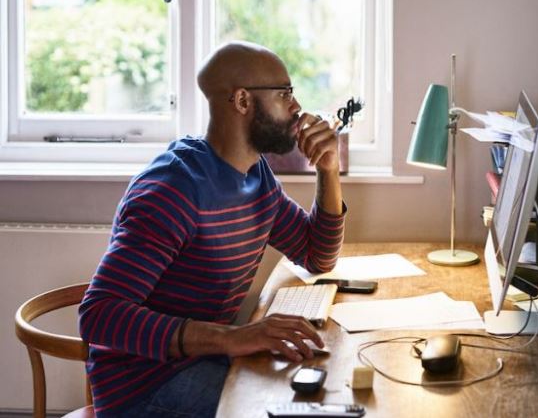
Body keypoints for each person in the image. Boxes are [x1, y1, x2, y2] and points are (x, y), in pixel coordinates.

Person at [78, 41, 346, 417]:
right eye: (284, 93)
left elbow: (317, 256)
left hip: (204, 362)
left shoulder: (256, 175)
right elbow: (98, 315)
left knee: (322, 387)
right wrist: (232, 337)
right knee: (292, 407)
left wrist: (328, 169)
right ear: (241, 102)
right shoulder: (174, 189)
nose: (296, 107)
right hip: (145, 387)